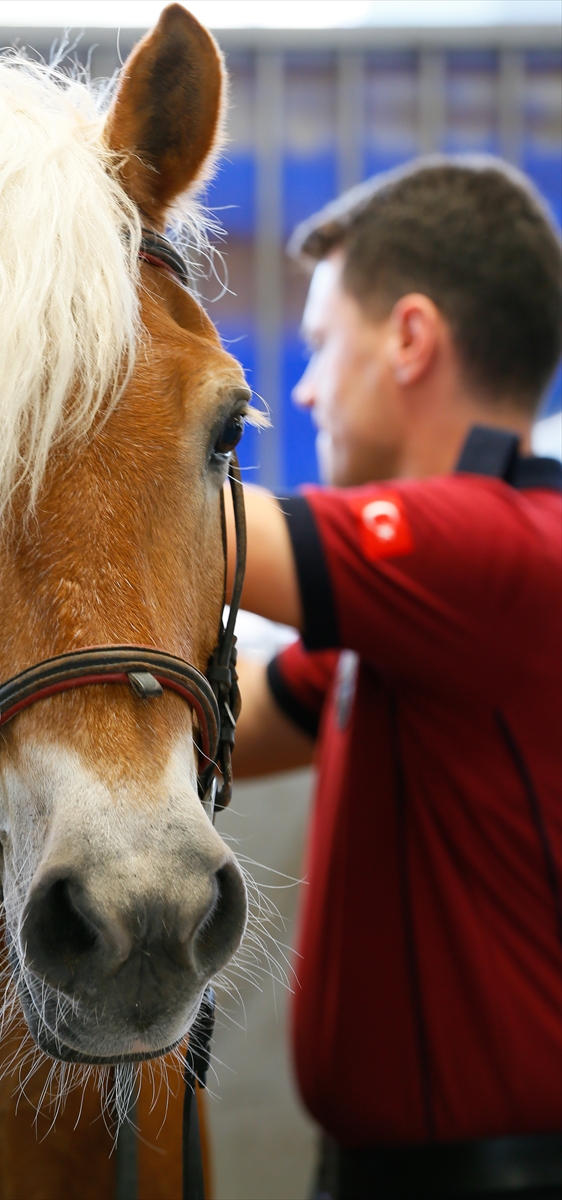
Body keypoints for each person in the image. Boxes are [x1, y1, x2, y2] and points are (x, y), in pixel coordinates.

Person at [227, 158, 562, 1200]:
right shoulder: (417, 619)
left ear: (410, 339)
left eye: (322, 344)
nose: (304, 387)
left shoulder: (491, 550)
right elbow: (228, 729)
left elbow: (196, 532)